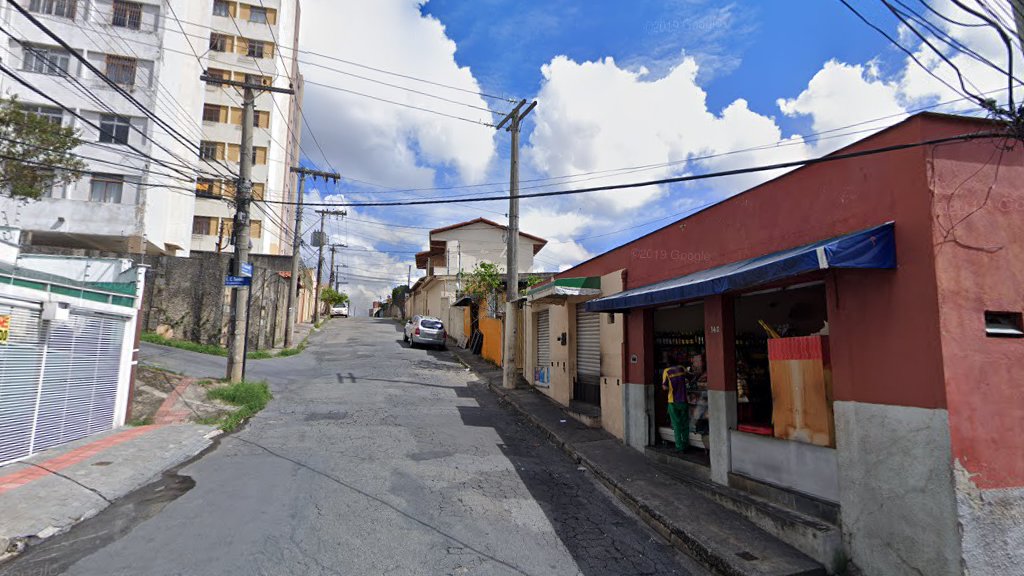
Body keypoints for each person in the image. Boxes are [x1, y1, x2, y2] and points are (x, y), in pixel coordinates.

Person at [662, 356, 690, 452]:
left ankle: (679, 447)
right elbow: (689, 377)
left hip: (673, 402)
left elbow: (664, 387)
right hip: (684, 400)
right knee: (685, 424)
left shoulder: (666, 371)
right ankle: (686, 444)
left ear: (668, 364)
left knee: (676, 425)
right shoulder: (681, 368)